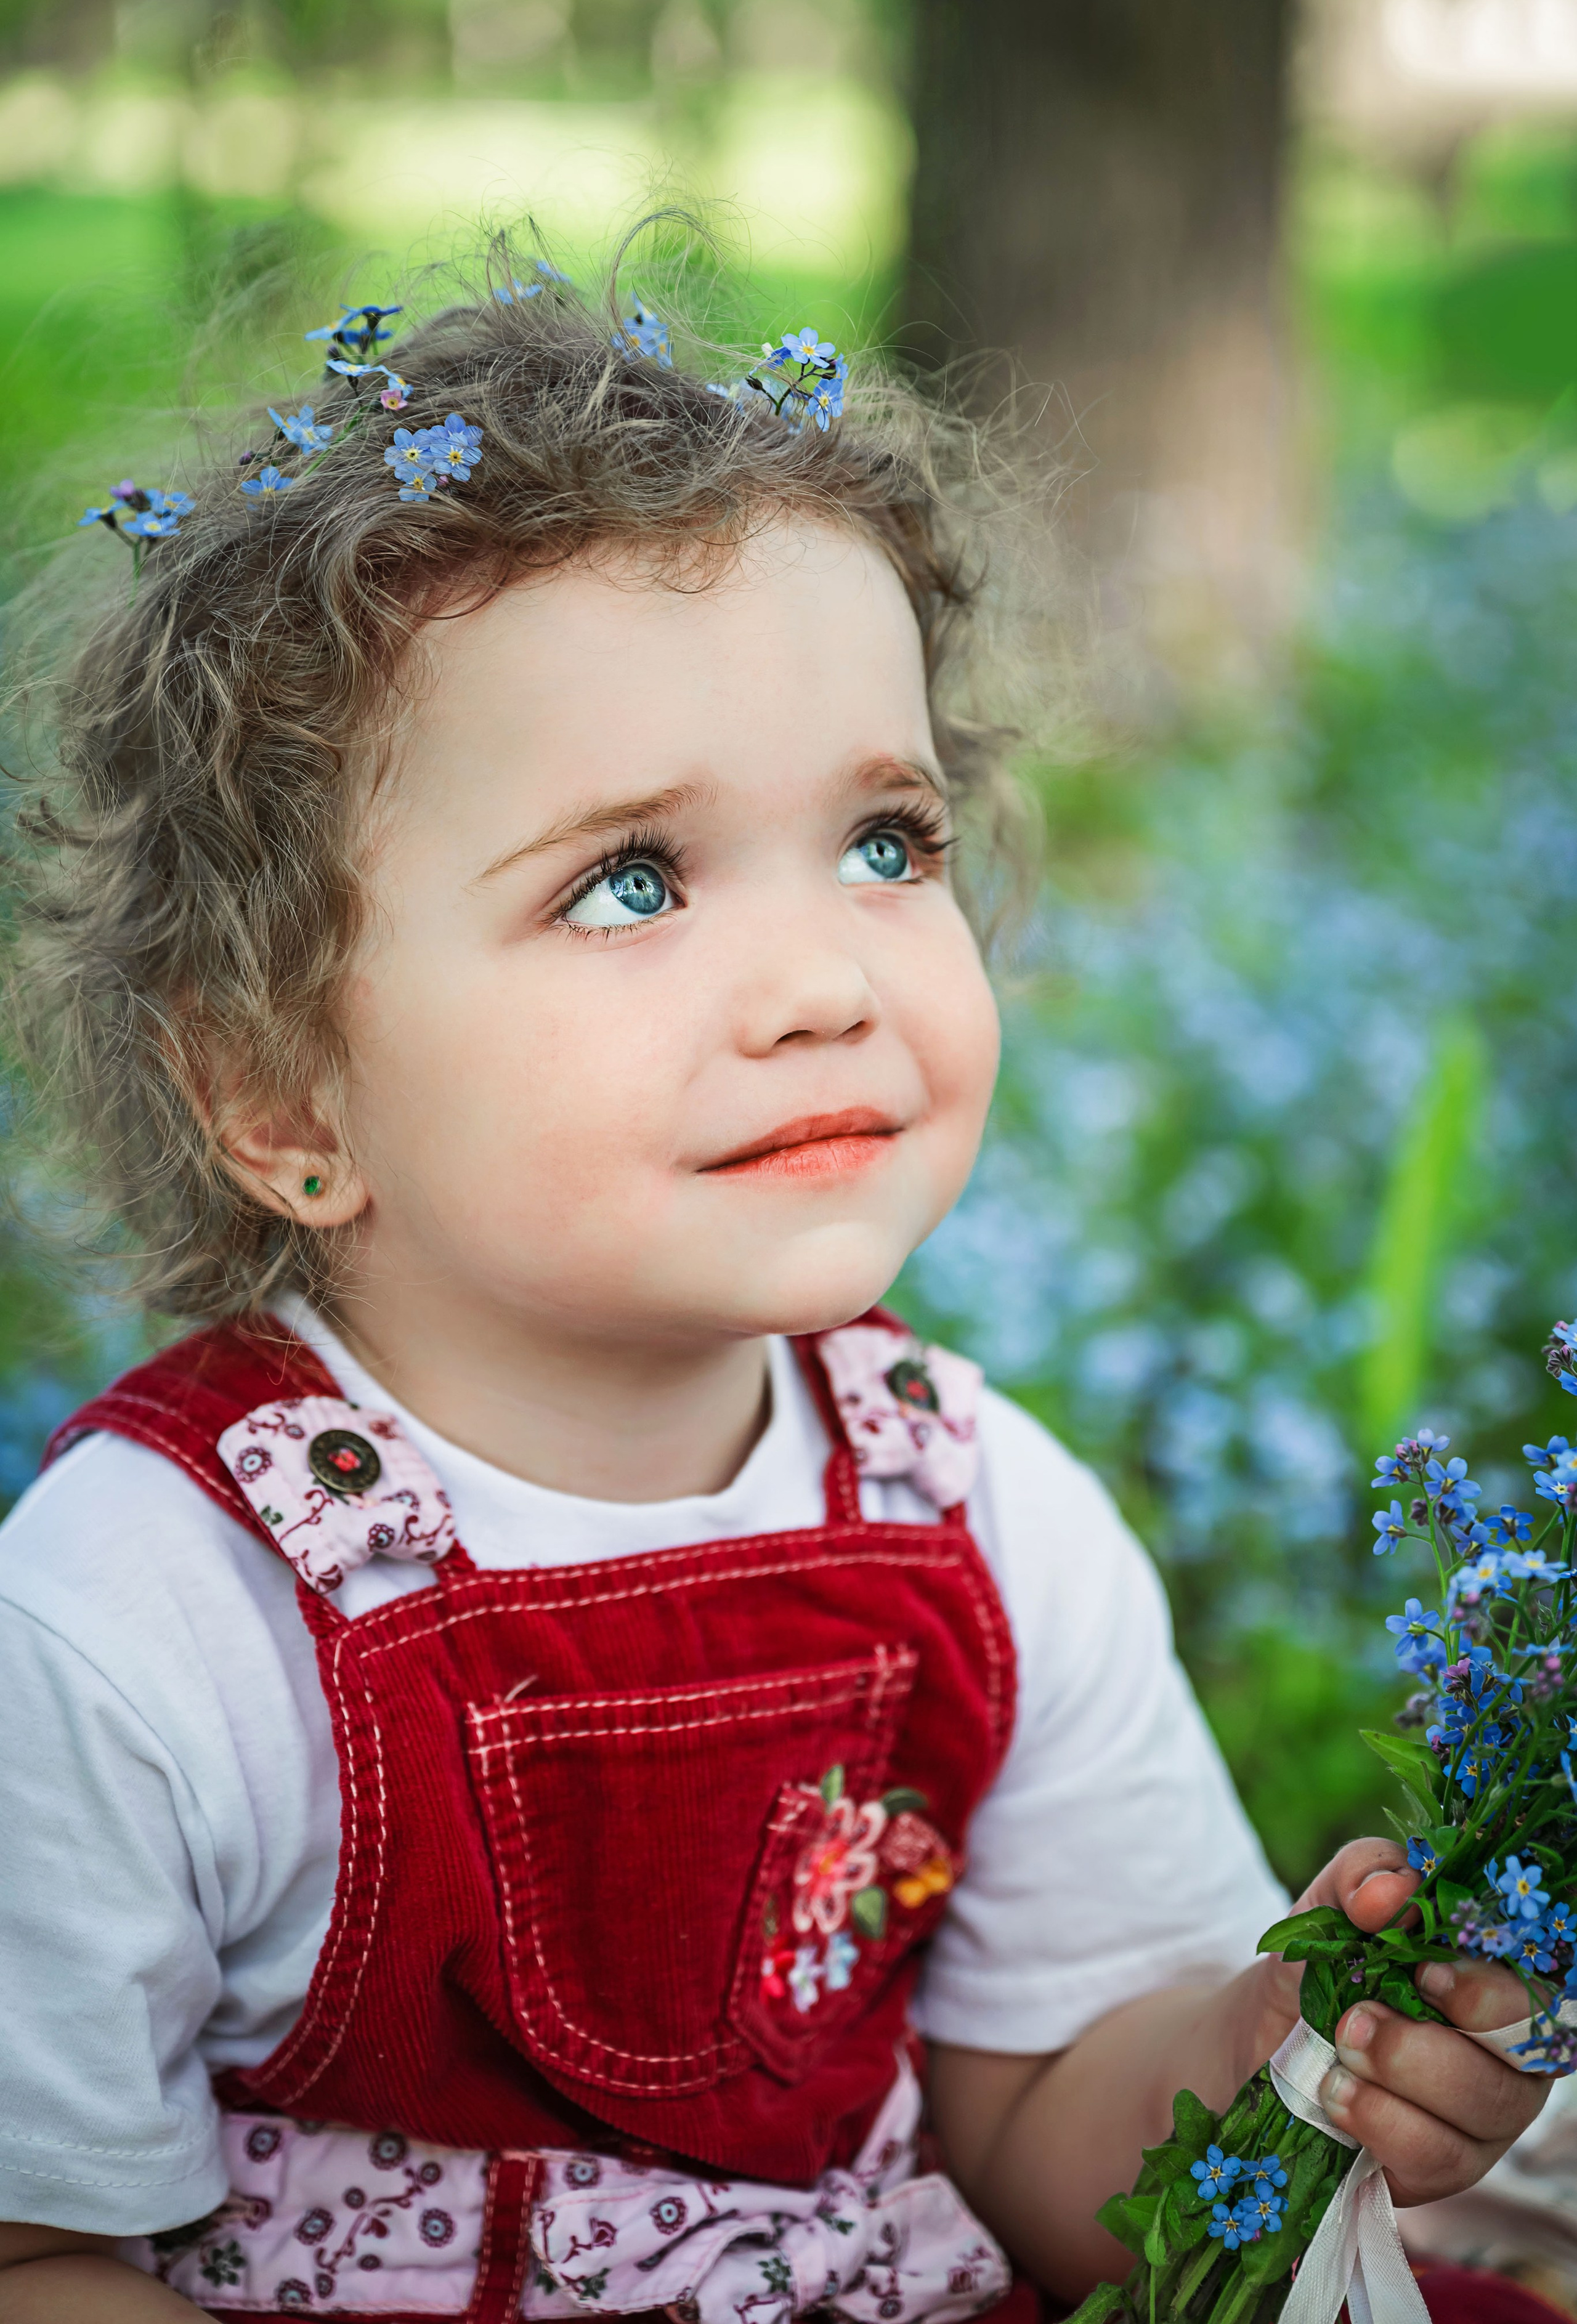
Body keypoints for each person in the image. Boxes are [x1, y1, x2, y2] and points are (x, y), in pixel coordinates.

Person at [0, 253, 1547, 2324]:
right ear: (276, 1084)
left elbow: (1040, 2141)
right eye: (629, 881)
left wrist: (1288, 2054)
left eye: (888, 844)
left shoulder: (976, 1509)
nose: (827, 982)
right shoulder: (146, 1616)